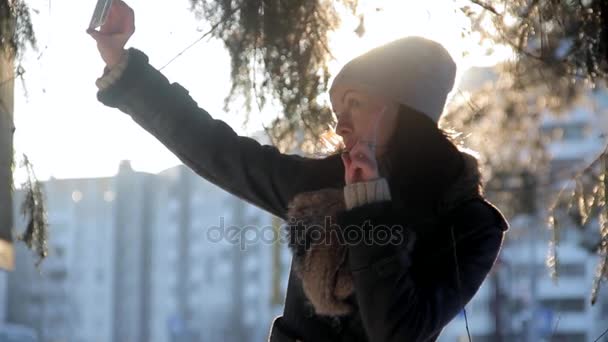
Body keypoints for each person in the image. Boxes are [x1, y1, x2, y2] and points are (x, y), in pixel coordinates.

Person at [88, 1, 509, 341]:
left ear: (406, 109)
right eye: (337, 111)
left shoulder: (470, 225)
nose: (340, 124)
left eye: (355, 104)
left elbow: (398, 331)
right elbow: (216, 149)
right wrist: (123, 65)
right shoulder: (322, 184)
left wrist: (367, 209)